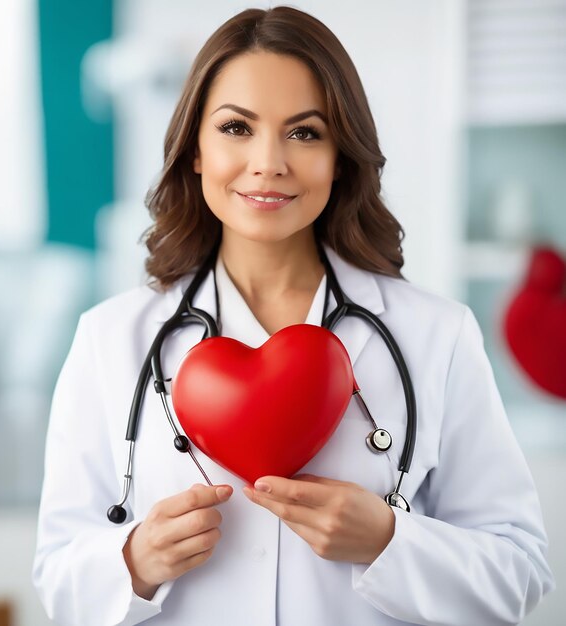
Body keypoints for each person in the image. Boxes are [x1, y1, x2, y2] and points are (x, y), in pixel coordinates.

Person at [33, 6, 554, 626]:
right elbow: (58, 577)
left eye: (305, 132)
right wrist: (135, 561)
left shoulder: (435, 335)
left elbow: (519, 574)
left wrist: (390, 542)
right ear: (194, 148)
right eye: (235, 128)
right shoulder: (110, 339)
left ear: (341, 157)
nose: (269, 161)